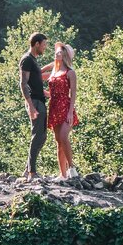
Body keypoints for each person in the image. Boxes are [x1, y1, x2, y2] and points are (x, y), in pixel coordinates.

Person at [45, 41, 81, 179]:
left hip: (65, 107)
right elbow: (40, 74)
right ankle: (63, 174)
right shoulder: (54, 72)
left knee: (64, 137)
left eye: (60, 51)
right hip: (54, 106)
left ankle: (72, 168)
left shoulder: (70, 72)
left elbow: (73, 93)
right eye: (57, 51)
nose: (57, 53)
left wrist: (71, 112)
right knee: (58, 141)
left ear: (65, 55)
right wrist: (43, 92)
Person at [20, 32, 49, 179]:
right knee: (37, 136)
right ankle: (32, 172)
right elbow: (23, 84)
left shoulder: (33, 60)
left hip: (39, 101)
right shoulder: (27, 60)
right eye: (44, 44)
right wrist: (30, 106)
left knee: (42, 136)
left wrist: (48, 94)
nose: (45, 47)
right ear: (36, 44)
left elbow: (35, 83)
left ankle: (28, 169)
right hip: (35, 103)